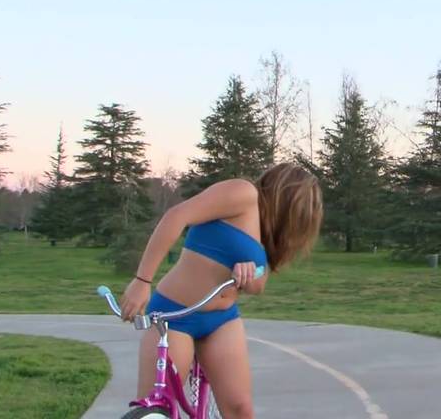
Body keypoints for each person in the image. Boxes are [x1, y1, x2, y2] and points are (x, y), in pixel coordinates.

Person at [121, 163, 323, 419]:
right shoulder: (243, 193)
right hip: (175, 316)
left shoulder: (266, 230)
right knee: (156, 409)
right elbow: (176, 216)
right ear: (286, 196)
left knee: (240, 409)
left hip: (222, 321)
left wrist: (248, 272)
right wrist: (142, 281)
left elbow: (258, 285)